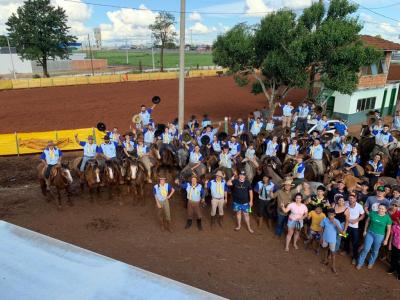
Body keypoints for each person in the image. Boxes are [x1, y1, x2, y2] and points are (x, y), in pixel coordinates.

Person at [357, 204, 392, 270]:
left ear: (385, 210)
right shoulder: (373, 213)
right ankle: (360, 263)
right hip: (370, 233)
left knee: (375, 250)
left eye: (382, 209)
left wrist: (386, 240)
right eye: (379, 208)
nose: (380, 210)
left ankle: (371, 262)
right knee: (366, 249)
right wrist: (365, 230)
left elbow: (389, 230)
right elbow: (367, 222)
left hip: (379, 236)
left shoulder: (387, 218)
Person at [320, 208, 344, 274]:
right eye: (329, 214)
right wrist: (321, 237)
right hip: (325, 238)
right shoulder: (324, 220)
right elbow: (321, 229)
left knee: (333, 253)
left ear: (334, 215)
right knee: (325, 249)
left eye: (332, 215)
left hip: (332, 240)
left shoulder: (337, 221)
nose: (330, 216)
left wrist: (336, 224)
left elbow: (342, 233)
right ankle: (325, 260)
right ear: (327, 214)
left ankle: (333, 266)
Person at [345, 193, 365, 265]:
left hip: (355, 227)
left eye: (353, 198)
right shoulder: (345, 203)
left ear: (355, 199)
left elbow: (363, 215)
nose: (351, 199)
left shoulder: (359, 206)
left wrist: (356, 220)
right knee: (346, 238)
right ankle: (346, 250)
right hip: (346, 226)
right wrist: (348, 220)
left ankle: (354, 257)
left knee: (355, 242)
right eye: (350, 198)